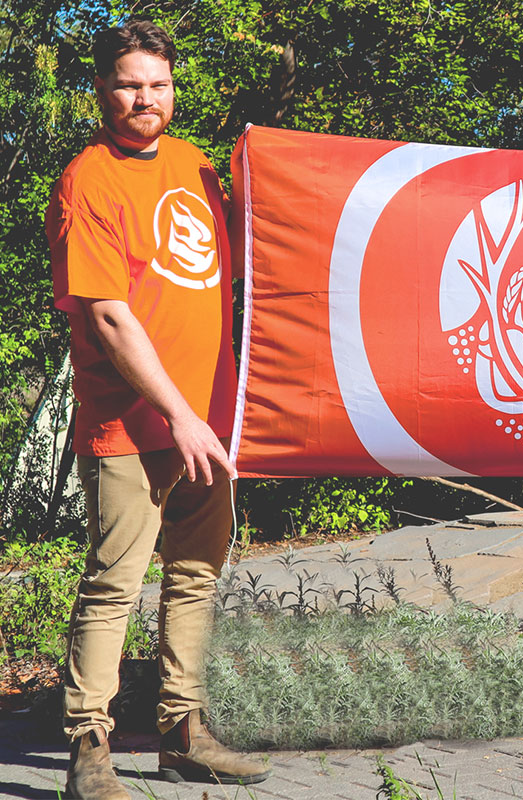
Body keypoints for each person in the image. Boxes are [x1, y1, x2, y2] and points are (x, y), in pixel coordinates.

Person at [45, 20, 271, 800]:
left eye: (159, 84)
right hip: (132, 423)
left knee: (197, 575)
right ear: (103, 90)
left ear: (175, 89)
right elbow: (109, 317)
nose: (146, 97)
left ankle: (183, 733)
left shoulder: (195, 166)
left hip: (210, 420)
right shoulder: (89, 179)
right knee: (114, 583)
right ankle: (91, 749)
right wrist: (178, 412)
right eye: (130, 84)